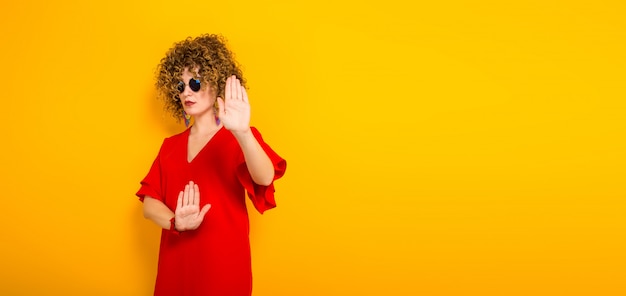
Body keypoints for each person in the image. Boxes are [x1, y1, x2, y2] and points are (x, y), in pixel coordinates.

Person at [135, 34, 286, 296]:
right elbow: (149, 204)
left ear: (216, 81)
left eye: (194, 82)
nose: (187, 92)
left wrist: (242, 132)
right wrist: (175, 223)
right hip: (176, 267)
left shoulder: (238, 137)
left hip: (223, 267)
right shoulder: (170, 147)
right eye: (180, 86)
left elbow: (264, 177)